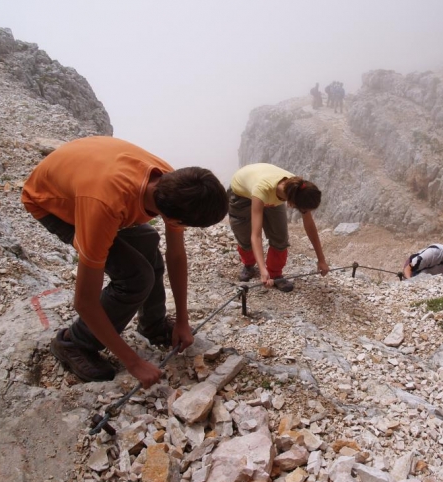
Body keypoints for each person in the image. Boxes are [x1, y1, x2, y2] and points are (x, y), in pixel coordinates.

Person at [21, 136, 229, 388]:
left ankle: (152, 325)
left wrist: (183, 321)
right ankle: (73, 342)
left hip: (89, 178)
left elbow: (175, 255)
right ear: (175, 219)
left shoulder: (175, 185)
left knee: (148, 240)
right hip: (52, 201)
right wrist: (133, 362)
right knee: (135, 276)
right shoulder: (105, 206)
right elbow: (84, 301)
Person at [228, 163, 329, 292]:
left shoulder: (298, 190)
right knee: (245, 237)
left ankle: (275, 274)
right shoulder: (263, 189)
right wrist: (263, 270)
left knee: (280, 237)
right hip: (242, 194)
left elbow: (309, 226)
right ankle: (249, 265)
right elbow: (256, 235)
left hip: (270, 192)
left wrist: (321, 259)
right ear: (291, 204)